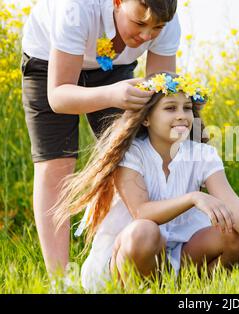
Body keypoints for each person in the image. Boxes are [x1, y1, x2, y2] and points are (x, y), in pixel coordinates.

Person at [52, 72, 239, 292]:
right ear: (147, 118)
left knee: (236, 236)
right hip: (131, 254)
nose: (181, 115)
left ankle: (187, 290)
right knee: (144, 231)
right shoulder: (131, 154)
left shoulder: (202, 153)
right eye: (170, 108)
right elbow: (141, 212)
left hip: (181, 250)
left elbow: (230, 200)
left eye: (186, 108)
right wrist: (193, 197)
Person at [20, 0, 180, 277]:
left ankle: (116, 263)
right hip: (48, 63)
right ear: (118, 2)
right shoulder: (76, 8)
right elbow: (58, 97)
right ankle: (60, 278)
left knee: (135, 156)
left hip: (114, 69)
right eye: (140, 23)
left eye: (156, 28)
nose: (146, 36)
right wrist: (111, 95)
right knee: (56, 165)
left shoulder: (166, 19)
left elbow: (160, 97)